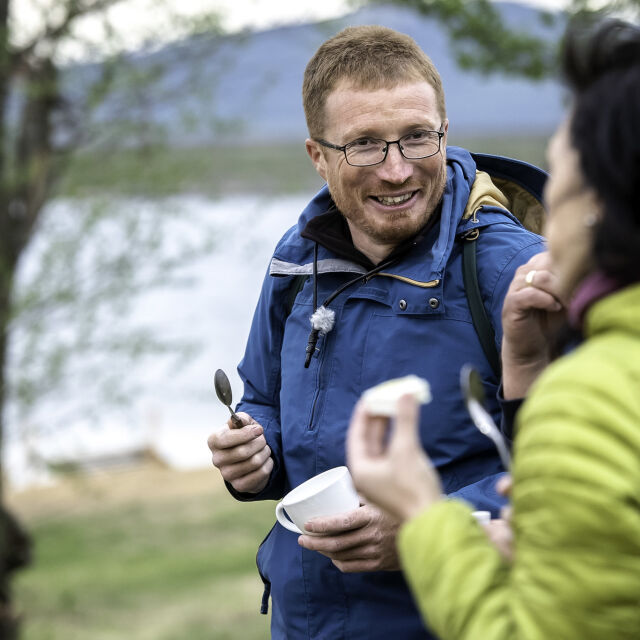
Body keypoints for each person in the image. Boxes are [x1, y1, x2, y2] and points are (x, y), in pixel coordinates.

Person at [207, 25, 545, 639]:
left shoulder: (516, 272)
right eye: (364, 145)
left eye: (417, 138)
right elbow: (262, 400)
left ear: (445, 130)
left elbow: (586, 474)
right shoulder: (297, 259)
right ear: (319, 157)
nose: (396, 171)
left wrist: (430, 526)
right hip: (305, 623)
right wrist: (254, 454)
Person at [346, 17, 640, 640]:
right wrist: (529, 374)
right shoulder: (298, 256)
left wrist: (424, 514)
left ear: (598, 208)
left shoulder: (592, 400)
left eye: (560, 179)